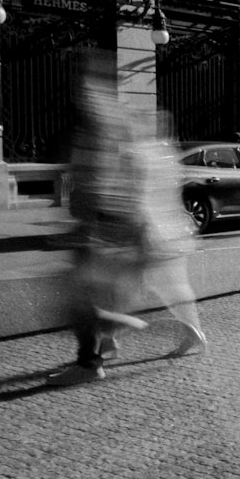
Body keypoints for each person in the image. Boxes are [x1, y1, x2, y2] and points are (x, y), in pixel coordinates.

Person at [49, 55, 205, 386]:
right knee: (93, 291)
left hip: (108, 223)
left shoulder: (103, 121)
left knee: (80, 297)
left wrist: (96, 222)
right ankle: (107, 338)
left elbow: (115, 178)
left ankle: (99, 348)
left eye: (83, 83)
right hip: (121, 225)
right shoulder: (117, 122)